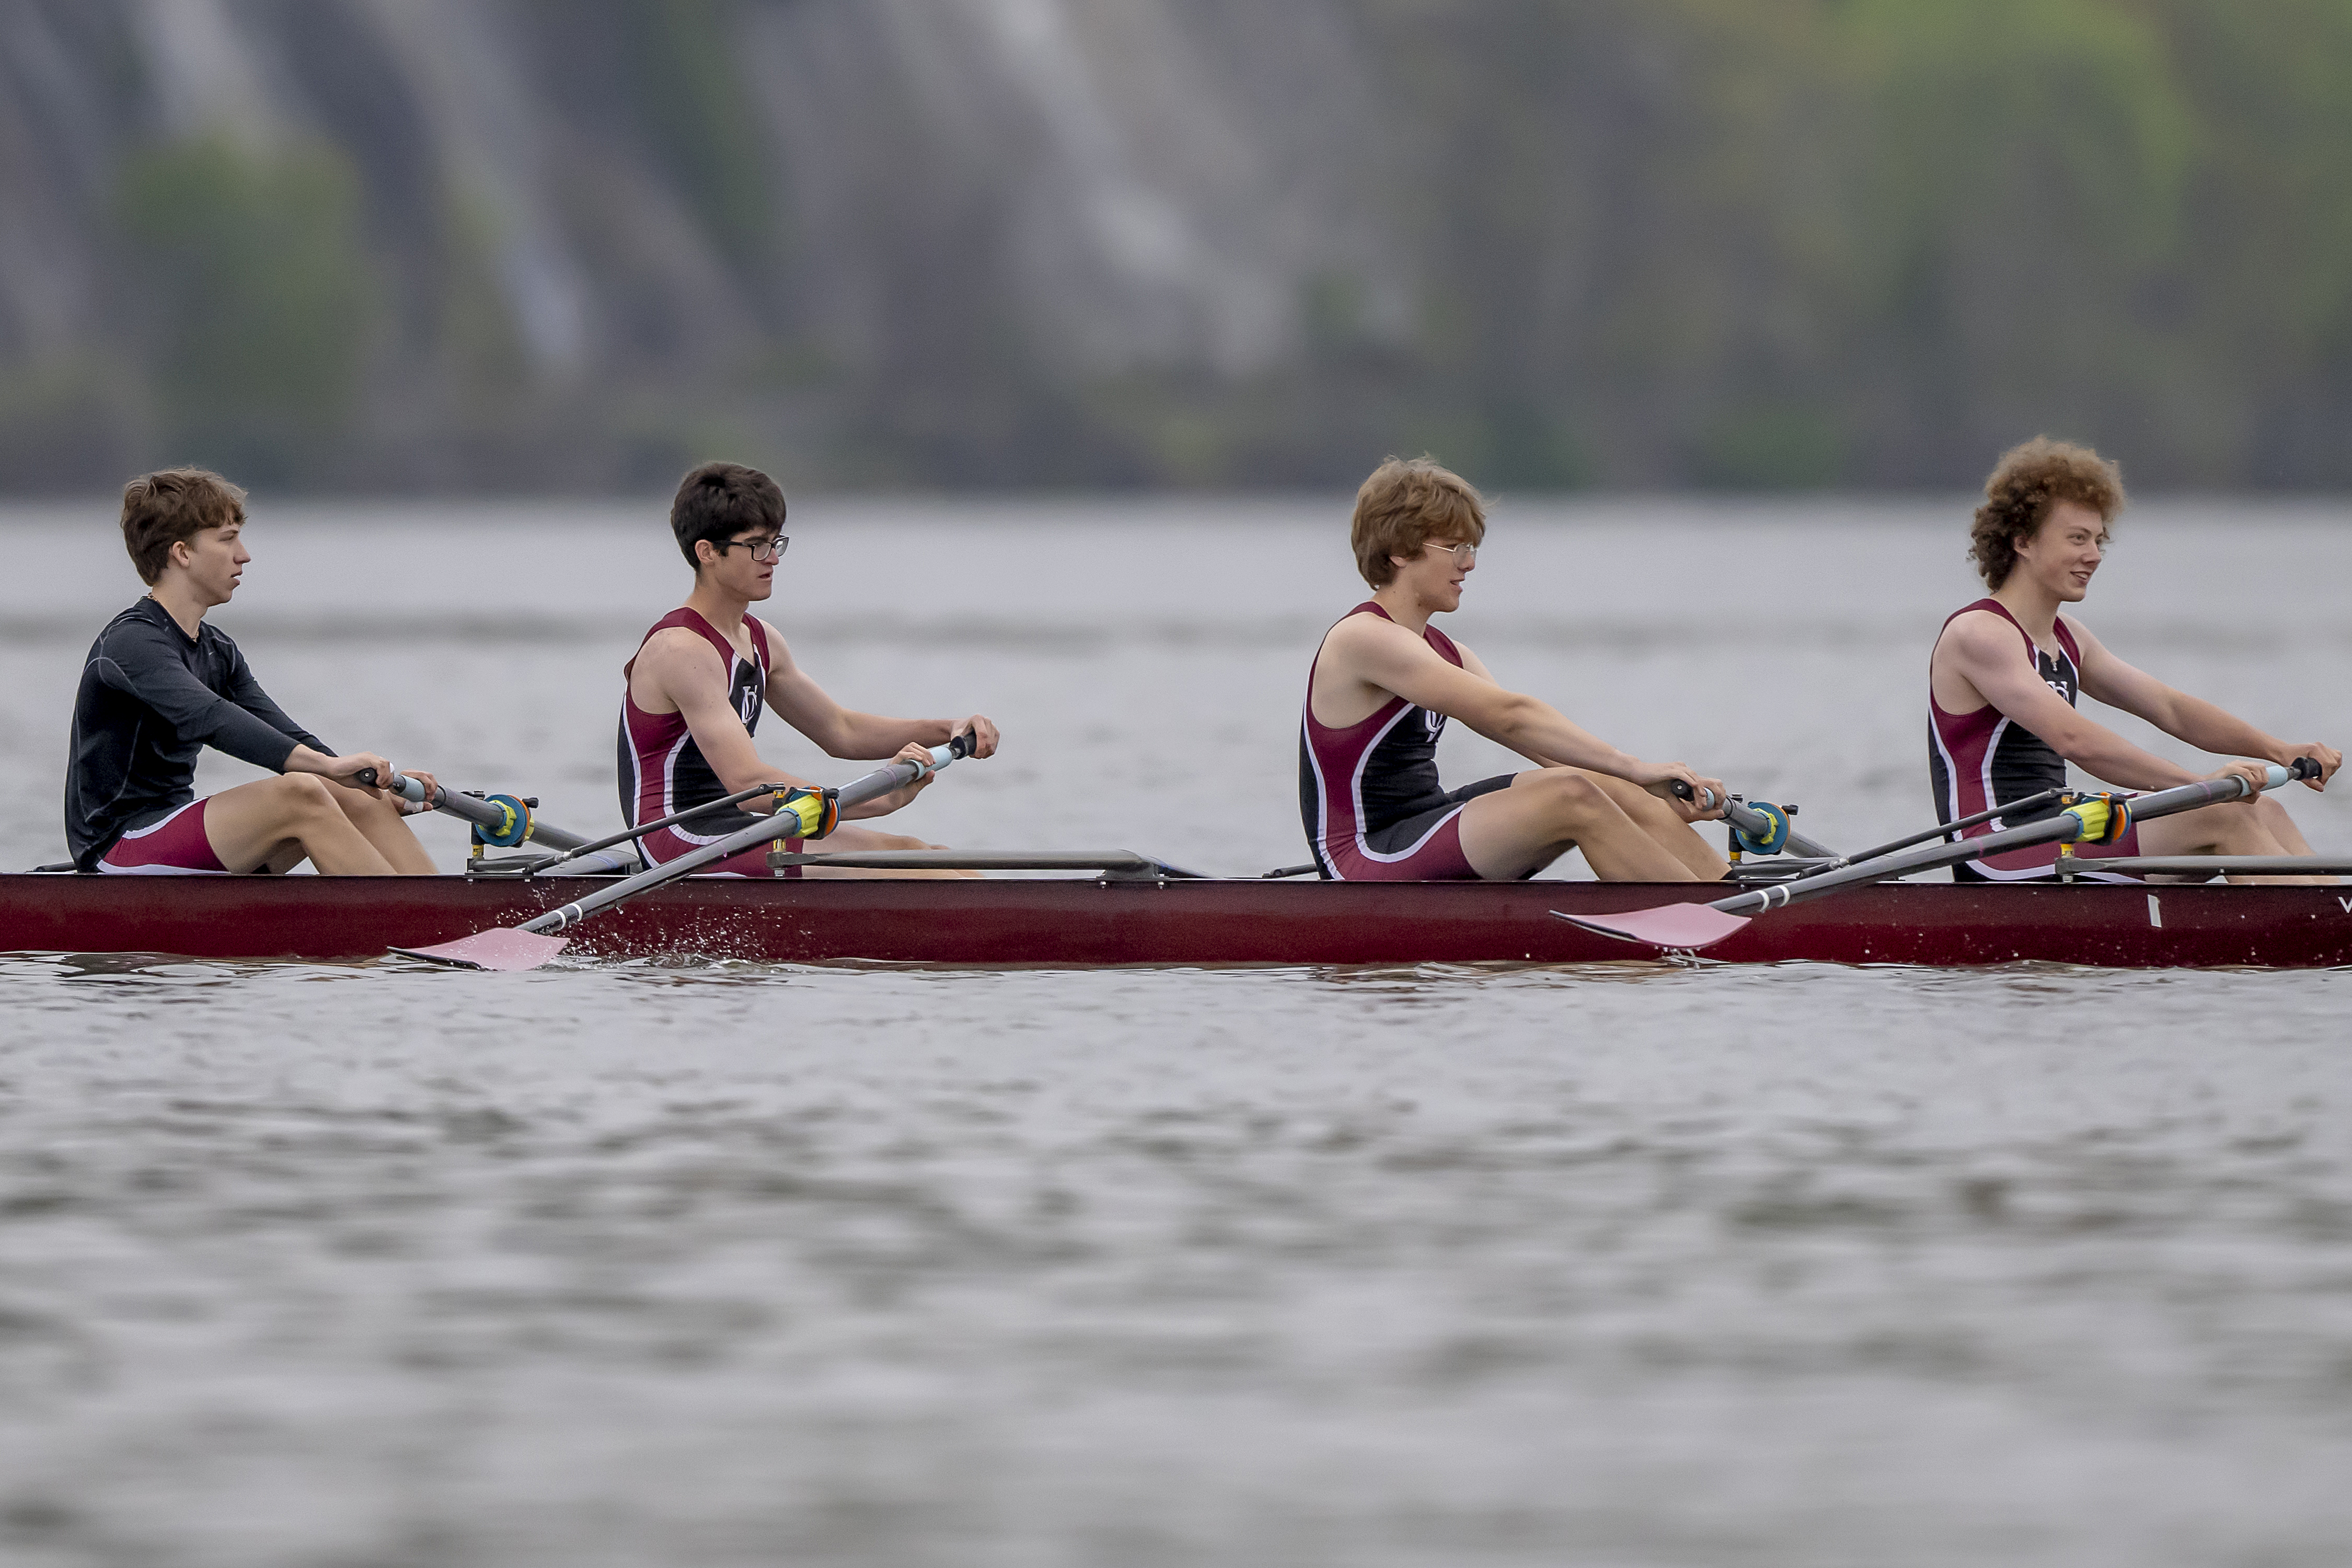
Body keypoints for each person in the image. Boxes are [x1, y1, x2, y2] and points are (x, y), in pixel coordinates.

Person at [1300, 457, 1730, 882]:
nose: (1469, 565)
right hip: (1363, 857)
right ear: (1399, 552)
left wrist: (1650, 791)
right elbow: (1512, 715)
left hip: (1421, 826)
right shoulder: (1362, 638)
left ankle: (1731, 892)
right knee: (1572, 795)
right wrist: (1635, 765)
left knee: (1596, 784)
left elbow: (1540, 746)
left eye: (1471, 549)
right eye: (1455, 549)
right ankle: (1715, 924)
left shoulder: (1450, 655)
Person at [1928, 437, 2339, 881]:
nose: (2094, 555)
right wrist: (2198, 791)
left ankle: (2326, 925)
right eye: (2077, 539)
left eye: (2098, 540)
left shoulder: (2069, 638)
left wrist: (2278, 749)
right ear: (2023, 541)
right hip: (1999, 848)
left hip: (2058, 824)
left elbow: (2169, 708)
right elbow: (2076, 742)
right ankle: (2304, 938)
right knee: (2226, 817)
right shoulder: (1980, 634)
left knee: (2268, 810)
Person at [618, 462, 999, 878]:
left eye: (775, 543)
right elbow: (747, 783)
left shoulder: (762, 640)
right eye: (756, 546)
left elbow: (841, 731)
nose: (773, 560)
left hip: (739, 828)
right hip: (679, 843)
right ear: (707, 552)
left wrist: (947, 729)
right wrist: (877, 801)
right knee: (917, 872)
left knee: (930, 857)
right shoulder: (681, 649)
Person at [65, 469, 442, 875]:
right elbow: (210, 718)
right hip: (116, 847)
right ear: (183, 553)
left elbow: (287, 736)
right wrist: (328, 769)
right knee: (301, 790)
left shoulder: (217, 650)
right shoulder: (131, 644)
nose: (243, 555)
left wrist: (367, 786)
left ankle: (449, 924)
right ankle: (410, 928)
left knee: (342, 792)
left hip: (175, 835)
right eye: (228, 539)